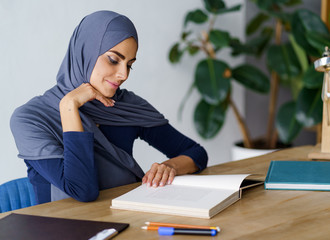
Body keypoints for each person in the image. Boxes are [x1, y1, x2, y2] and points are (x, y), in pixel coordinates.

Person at [10, 10, 208, 204]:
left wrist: (169, 166)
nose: (124, 74)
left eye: (129, 64)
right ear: (85, 52)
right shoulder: (31, 118)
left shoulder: (127, 106)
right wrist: (70, 106)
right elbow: (82, 191)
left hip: (129, 221)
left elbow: (196, 152)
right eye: (113, 60)